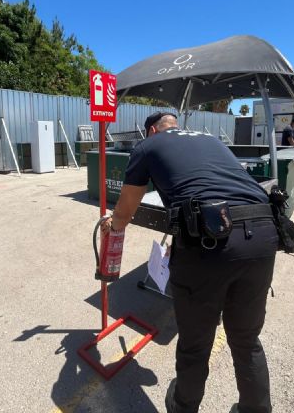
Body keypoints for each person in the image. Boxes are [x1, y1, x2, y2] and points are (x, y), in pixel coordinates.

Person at [102, 112, 279, 413]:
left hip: (210, 243)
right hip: (263, 231)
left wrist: (113, 225)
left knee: (196, 343)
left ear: (152, 130)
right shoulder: (210, 140)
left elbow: (126, 208)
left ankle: (183, 406)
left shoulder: (148, 146)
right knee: (246, 339)